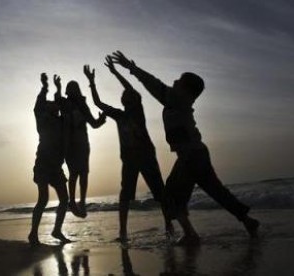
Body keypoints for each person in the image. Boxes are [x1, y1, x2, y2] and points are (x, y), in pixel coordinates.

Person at [110, 51, 260, 245]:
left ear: (186, 91)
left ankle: (190, 234)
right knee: (216, 191)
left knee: (170, 195)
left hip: (191, 156)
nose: (175, 81)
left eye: (179, 81)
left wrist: (131, 68)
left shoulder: (178, 100)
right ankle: (248, 221)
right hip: (197, 155)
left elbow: (153, 83)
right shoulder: (179, 100)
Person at [83, 58, 173, 242]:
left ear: (134, 99)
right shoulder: (119, 115)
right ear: (123, 101)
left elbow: (130, 87)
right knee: (125, 195)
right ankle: (122, 232)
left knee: (160, 193)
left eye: (129, 94)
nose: (127, 95)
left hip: (146, 155)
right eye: (125, 95)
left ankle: (169, 225)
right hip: (129, 159)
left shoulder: (137, 111)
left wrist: (115, 72)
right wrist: (91, 82)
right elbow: (98, 103)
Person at [28, 73, 71, 245]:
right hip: (43, 165)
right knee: (43, 199)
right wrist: (45, 87)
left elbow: (61, 102)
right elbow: (38, 106)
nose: (56, 105)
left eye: (56, 104)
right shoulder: (43, 120)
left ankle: (56, 230)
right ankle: (33, 234)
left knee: (64, 199)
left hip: (56, 167)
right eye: (52, 104)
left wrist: (59, 88)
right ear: (47, 108)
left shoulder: (61, 121)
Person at [54, 74, 106, 217]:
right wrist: (57, 87)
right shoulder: (64, 104)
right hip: (70, 145)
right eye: (70, 88)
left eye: (75, 88)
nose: (73, 91)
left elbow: (94, 124)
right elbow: (56, 99)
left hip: (83, 144)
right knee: (74, 174)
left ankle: (82, 202)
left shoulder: (83, 105)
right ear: (67, 91)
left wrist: (101, 119)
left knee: (84, 173)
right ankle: (72, 201)